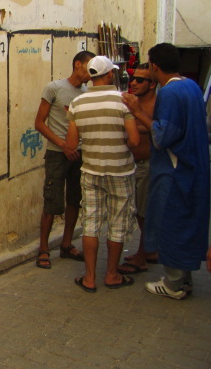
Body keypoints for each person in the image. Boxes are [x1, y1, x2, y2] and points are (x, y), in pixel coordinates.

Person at [122, 43, 210, 300]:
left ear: (155, 67)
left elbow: (163, 136)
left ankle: (173, 284)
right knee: (185, 222)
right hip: (193, 166)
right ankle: (183, 279)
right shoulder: (191, 86)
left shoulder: (170, 93)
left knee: (170, 223)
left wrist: (136, 111)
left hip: (174, 169)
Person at [66, 56, 140, 292]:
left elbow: (72, 143)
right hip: (120, 171)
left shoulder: (78, 103)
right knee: (117, 223)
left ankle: (89, 278)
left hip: (91, 170)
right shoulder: (123, 101)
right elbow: (135, 140)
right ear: (109, 74)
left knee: (91, 223)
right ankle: (112, 274)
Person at [33, 50, 94, 269]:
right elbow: (39, 123)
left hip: (79, 154)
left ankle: (67, 244)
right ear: (78, 64)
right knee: (52, 201)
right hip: (57, 154)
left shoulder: (87, 93)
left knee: (74, 200)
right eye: (88, 67)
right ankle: (43, 249)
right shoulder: (54, 88)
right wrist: (63, 145)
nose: (91, 73)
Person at [118, 64, 158, 274]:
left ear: (151, 84)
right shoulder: (132, 101)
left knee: (143, 213)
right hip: (131, 165)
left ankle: (142, 256)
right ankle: (149, 250)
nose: (134, 83)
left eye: (140, 80)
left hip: (147, 164)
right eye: (133, 78)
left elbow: (158, 129)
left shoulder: (157, 104)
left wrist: (134, 122)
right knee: (138, 211)